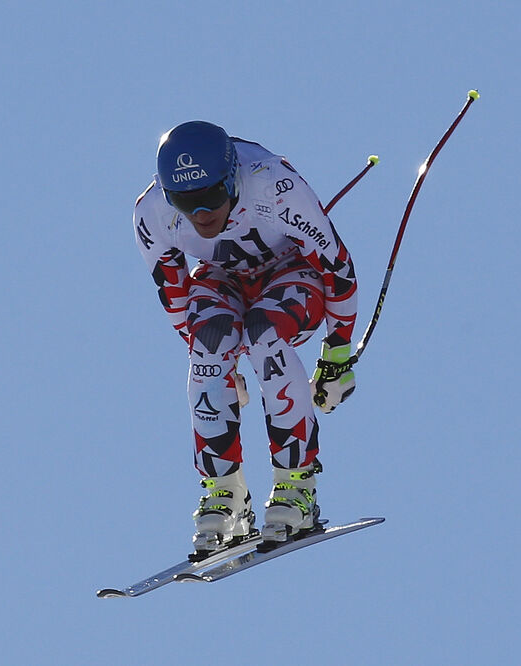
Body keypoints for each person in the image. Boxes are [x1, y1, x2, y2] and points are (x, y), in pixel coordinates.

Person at [132, 121, 359, 554]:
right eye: (185, 201)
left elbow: (337, 268)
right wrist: (221, 371)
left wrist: (337, 356)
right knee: (208, 344)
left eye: (212, 196)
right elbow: (175, 296)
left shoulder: (274, 186)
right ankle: (225, 493)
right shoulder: (153, 213)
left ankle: (297, 485)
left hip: (291, 271)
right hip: (222, 278)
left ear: (232, 177)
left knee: (264, 334)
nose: (201, 213)